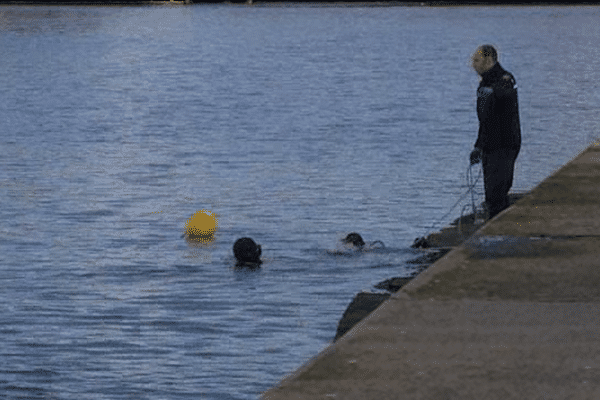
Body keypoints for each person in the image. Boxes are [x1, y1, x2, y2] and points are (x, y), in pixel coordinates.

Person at [470, 45, 521, 220]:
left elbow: (506, 95)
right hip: (489, 145)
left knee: (498, 192)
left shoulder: (505, 79)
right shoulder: (484, 83)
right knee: (491, 194)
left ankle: (500, 233)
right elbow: (485, 121)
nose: (473, 65)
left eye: (476, 60)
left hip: (505, 144)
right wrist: (478, 146)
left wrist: (493, 91)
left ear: (489, 60)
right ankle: (494, 225)